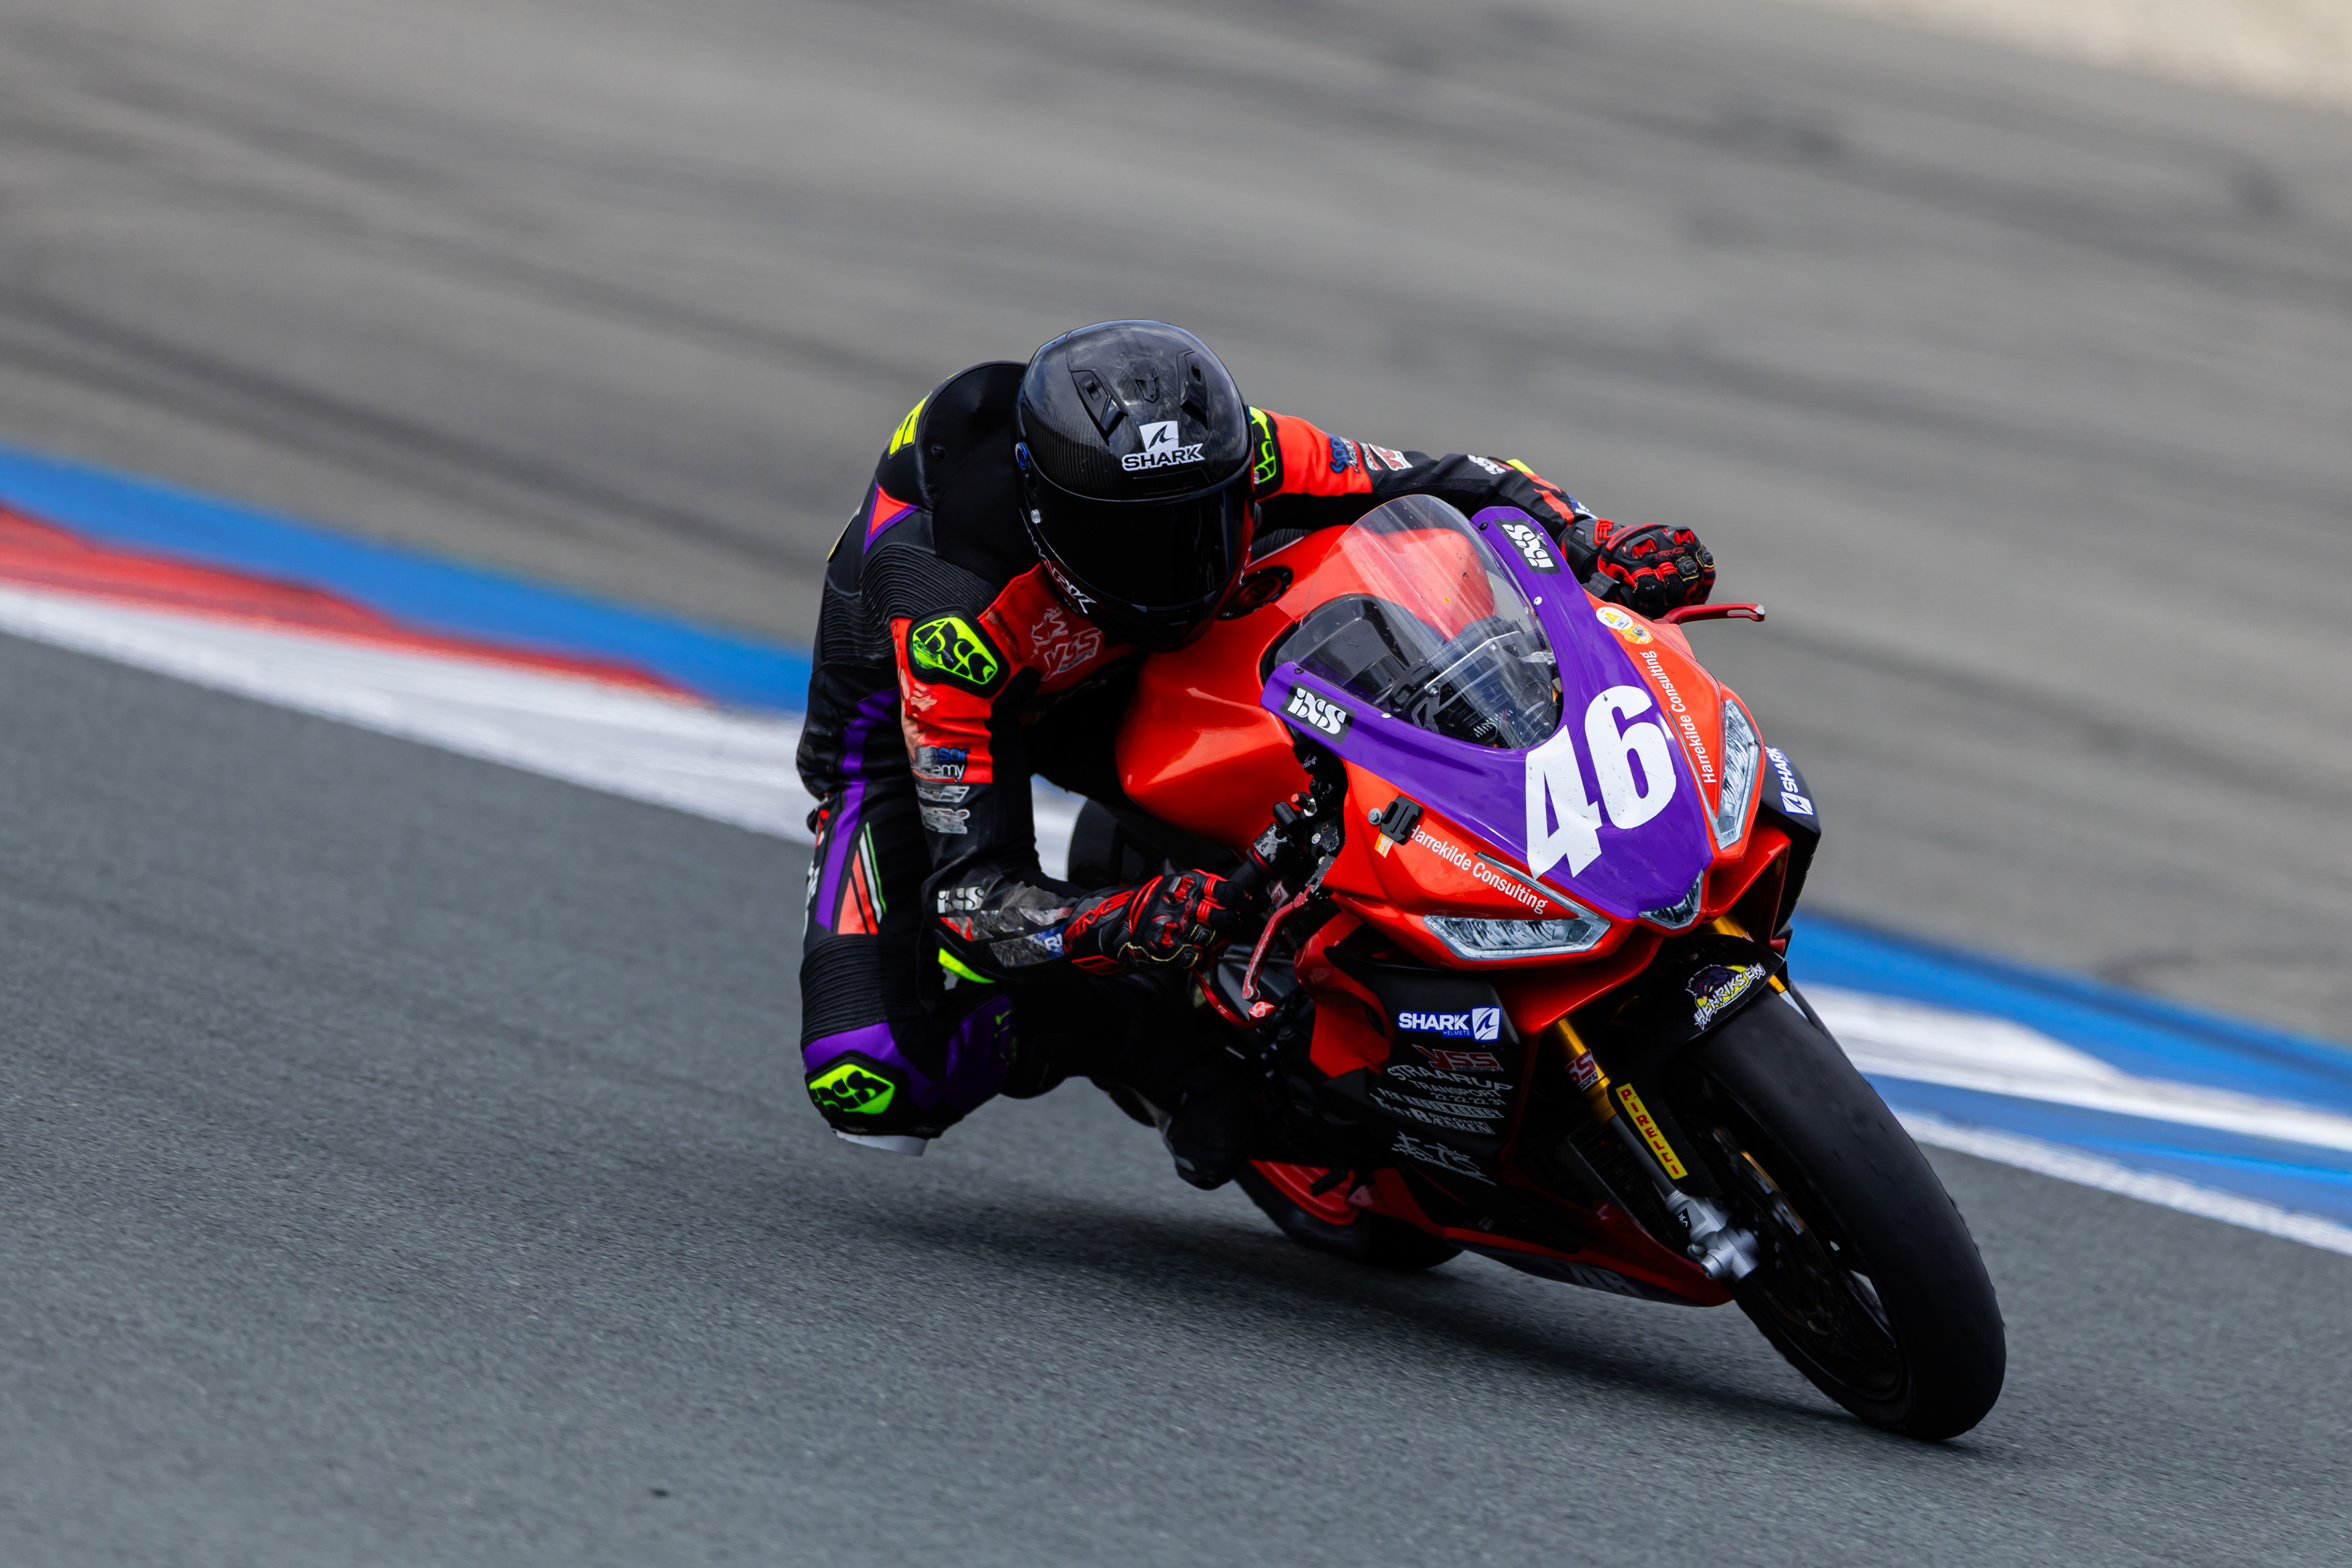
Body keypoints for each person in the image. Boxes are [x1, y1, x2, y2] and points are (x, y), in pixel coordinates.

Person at [794, 320, 1714, 1186]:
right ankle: (1155, 1051)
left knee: (1403, 584)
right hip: (959, 717)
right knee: (870, 1074)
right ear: (1050, 524)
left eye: (1203, 517)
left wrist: (1598, 541)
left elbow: (1459, 478)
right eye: (1134, 541)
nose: (1179, 560)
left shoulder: (1241, 448)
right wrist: (1121, 922)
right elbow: (972, 899)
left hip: (1156, 640)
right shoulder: (952, 617)